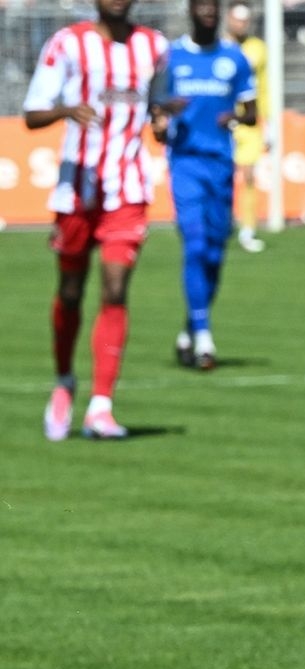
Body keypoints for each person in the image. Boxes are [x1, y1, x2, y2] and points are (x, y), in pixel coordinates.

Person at [23, 0, 168, 441]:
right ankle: (65, 379)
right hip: (77, 189)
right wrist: (67, 110)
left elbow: (159, 106)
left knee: (116, 289)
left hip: (128, 189)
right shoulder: (67, 43)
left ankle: (101, 405)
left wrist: (161, 121)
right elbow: (32, 114)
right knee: (70, 293)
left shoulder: (155, 47)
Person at [157, 0, 256, 371]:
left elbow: (252, 112)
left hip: (221, 164)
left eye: (213, 7)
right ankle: (204, 338)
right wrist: (164, 115)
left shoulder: (235, 59)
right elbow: (155, 110)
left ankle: (190, 326)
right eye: (202, 6)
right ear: (191, 11)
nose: (208, 13)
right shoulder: (172, 57)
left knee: (214, 255)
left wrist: (235, 117)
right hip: (185, 163)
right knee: (195, 243)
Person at [226, 2, 267, 254]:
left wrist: (269, 122)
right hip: (223, 121)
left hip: (249, 121)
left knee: (249, 175)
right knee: (222, 176)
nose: (241, 25)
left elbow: (265, 85)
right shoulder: (219, 47)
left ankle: (248, 229)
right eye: (237, 19)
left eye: (245, 20)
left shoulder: (258, 48)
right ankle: (224, 221)